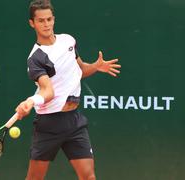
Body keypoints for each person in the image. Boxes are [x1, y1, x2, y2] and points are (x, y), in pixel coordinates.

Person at [15, 0, 121, 179]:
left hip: (74, 121)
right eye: (41, 21)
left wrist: (95, 66)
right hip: (49, 124)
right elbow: (47, 91)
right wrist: (31, 101)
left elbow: (79, 70)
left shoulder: (68, 41)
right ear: (32, 23)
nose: (46, 24)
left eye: (49, 19)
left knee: (88, 176)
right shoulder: (36, 58)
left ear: (54, 19)